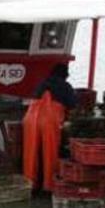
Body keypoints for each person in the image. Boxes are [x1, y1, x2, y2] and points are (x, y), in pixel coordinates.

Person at [23, 63, 75, 191]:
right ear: (65, 76)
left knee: (31, 152)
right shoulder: (66, 86)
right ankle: (49, 185)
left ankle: (30, 184)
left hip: (31, 118)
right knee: (50, 152)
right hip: (50, 120)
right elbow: (73, 105)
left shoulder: (42, 83)